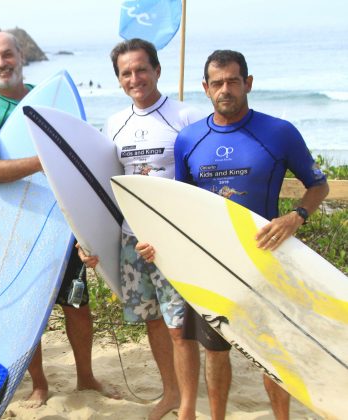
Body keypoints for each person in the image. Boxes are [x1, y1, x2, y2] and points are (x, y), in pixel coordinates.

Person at [139, 49, 329, 419]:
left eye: (233, 81)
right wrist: (158, 244)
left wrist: (295, 217)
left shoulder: (279, 132)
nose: (225, 89)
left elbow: (317, 186)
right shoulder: (189, 139)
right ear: (205, 88)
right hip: (212, 263)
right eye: (217, 83)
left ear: (248, 83)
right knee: (215, 349)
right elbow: (183, 205)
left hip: (267, 259)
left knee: (274, 353)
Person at [0, 31, 115, 408]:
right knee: (26, 309)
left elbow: (81, 147)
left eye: (7, 55)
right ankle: (39, 384)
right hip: (17, 224)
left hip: (63, 221)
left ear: (21, 55)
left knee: (78, 305)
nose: (2, 63)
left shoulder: (50, 98)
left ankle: (85, 376)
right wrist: (45, 160)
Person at [78, 38, 204, 420]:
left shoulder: (186, 117)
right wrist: (88, 237)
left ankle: (187, 406)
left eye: (141, 69)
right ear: (119, 80)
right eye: (126, 73)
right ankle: (169, 393)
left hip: (174, 238)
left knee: (180, 326)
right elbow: (102, 186)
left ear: (157, 70)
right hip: (132, 238)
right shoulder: (115, 124)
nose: (135, 78)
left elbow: (202, 181)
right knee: (152, 319)